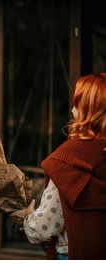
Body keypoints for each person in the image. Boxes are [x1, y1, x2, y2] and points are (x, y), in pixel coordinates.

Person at [11, 73, 106, 260]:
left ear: (88, 109)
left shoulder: (69, 159)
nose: (72, 110)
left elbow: (42, 228)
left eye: (77, 103)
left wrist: (28, 218)